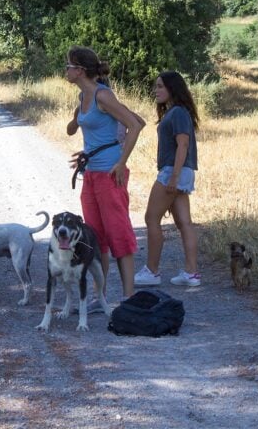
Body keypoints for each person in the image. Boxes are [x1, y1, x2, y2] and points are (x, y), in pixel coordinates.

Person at [65, 46, 145, 308]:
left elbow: (135, 125)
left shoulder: (103, 95)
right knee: (95, 238)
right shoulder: (83, 97)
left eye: (69, 66)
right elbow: (71, 129)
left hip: (111, 174)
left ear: (81, 70)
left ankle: (129, 296)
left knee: (119, 234)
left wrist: (121, 162)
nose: (66, 70)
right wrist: (85, 146)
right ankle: (100, 298)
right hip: (91, 174)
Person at [135, 71, 201, 287]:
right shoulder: (176, 112)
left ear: (173, 88)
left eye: (161, 86)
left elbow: (183, 144)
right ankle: (191, 273)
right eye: (156, 86)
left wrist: (172, 178)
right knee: (184, 222)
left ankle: (152, 271)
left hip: (174, 171)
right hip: (182, 172)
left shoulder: (178, 113)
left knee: (151, 218)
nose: (156, 90)